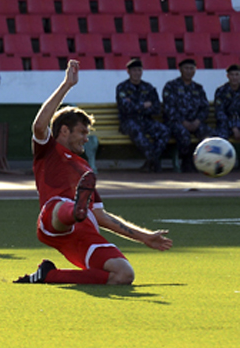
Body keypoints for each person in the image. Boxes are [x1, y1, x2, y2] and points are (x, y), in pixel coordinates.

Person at [14, 60, 173, 284]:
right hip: (55, 219)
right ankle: (75, 210)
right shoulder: (49, 150)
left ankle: (48, 275)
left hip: (83, 231)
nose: (86, 138)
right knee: (62, 206)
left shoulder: (85, 169)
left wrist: (145, 237)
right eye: (81, 132)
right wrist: (67, 85)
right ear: (65, 130)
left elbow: (101, 216)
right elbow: (39, 126)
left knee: (124, 274)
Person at [115, 58, 170, 172]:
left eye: (139, 70)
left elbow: (156, 108)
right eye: (134, 70)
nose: (136, 73)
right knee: (136, 130)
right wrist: (144, 105)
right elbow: (125, 109)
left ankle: (150, 161)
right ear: (128, 72)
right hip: (129, 121)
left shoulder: (148, 88)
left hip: (146, 120)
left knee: (164, 131)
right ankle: (154, 161)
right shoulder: (122, 87)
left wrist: (136, 106)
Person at [163, 58, 214, 173]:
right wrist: (182, 121)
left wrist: (198, 121)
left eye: (192, 68)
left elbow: (205, 108)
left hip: (195, 122)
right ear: (180, 70)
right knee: (183, 135)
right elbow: (169, 108)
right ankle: (186, 161)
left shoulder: (198, 88)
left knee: (210, 135)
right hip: (176, 122)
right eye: (186, 68)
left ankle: (205, 162)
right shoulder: (171, 86)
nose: (189, 71)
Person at [214, 64, 240, 142]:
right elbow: (219, 113)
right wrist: (233, 127)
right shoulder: (221, 91)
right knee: (220, 137)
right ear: (227, 76)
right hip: (225, 124)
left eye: (237, 75)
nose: (234, 78)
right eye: (232, 75)